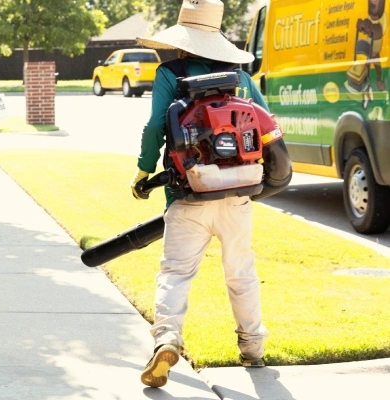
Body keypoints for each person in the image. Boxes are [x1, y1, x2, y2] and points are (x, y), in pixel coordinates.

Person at [131, 0, 270, 388]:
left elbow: (154, 128)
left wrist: (144, 171)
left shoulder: (170, 73)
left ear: (181, 37)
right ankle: (253, 349)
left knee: (175, 273)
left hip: (187, 194)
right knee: (241, 273)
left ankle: (167, 339)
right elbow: (267, 124)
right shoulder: (239, 78)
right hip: (237, 193)